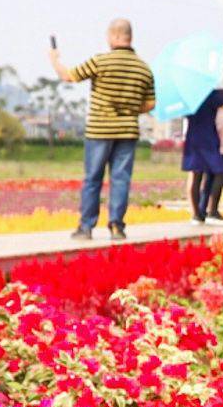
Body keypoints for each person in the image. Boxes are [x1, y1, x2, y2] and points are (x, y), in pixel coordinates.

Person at [50, 18, 155, 241]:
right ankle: (117, 226)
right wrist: (129, 105)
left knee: (93, 179)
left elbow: (68, 76)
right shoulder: (143, 68)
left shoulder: (101, 61)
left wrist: (55, 61)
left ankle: (86, 227)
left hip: (99, 131)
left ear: (115, 36)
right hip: (127, 132)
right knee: (121, 179)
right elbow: (150, 104)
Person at [182, 85, 223, 226]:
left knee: (196, 176)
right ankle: (213, 212)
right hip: (208, 139)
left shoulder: (188, 97)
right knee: (220, 172)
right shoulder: (211, 95)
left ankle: (197, 215)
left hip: (193, 139)